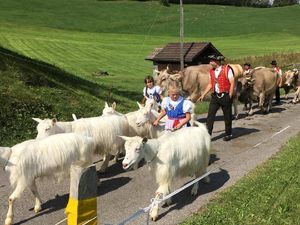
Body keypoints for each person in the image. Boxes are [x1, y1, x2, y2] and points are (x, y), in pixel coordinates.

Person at [197, 54, 235, 141]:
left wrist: (230, 95)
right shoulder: (211, 71)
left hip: (225, 95)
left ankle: (228, 134)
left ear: (217, 61)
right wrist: (203, 94)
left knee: (227, 116)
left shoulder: (227, 69)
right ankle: (208, 134)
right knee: (210, 115)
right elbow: (211, 84)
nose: (210, 62)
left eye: (211, 61)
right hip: (215, 96)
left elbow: (232, 82)